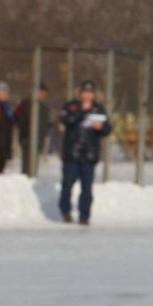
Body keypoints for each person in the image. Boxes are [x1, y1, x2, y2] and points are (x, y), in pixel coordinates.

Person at [58, 79, 112, 226]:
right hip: (72, 153)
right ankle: (65, 211)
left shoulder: (99, 109)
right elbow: (66, 120)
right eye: (85, 92)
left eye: (90, 93)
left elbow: (108, 129)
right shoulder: (71, 106)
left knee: (87, 188)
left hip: (89, 154)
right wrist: (82, 111)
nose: (87, 95)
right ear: (80, 93)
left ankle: (84, 215)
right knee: (67, 185)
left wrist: (100, 127)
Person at [16, 83, 51, 177]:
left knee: (34, 165)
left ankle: (32, 178)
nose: (43, 96)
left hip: (38, 141)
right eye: (41, 93)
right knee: (27, 164)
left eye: (44, 94)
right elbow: (19, 120)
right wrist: (23, 137)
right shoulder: (26, 104)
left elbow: (46, 124)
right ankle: (25, 180)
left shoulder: (44, 108)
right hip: (27, 140)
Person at [0, 80, 16, 174]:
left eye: (6, 92)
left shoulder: (8, 107)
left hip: (5, 141)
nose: (5, 95)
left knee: (1, 167)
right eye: (3, 92)